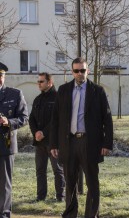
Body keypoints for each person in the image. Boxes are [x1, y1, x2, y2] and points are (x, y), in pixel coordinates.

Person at [50, 57, 113, 218]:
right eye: (76, 71)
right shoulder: (63, 90)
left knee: (92, 182)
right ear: (72, 72)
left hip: (89, 142)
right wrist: (53, 144)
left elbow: (107, 118)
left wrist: (107, 143)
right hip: (68, 142)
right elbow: (55, 119)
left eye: (83, 70)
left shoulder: (97, 91)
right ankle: (70, 214)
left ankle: (91, 215)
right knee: (70, 182)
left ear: (88, 71)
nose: (80, 73)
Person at [29, 72, 65, 202]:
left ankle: (61, 196)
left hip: (53, 141)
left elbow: (58, 120)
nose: (39, 84)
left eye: (41, 81)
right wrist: (36, 133)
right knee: (40, 170)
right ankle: (40, 197)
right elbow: (31, 118)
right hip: (39, 142)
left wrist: (43, 132)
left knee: (58, 170)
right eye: (38, 81)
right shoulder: (37, 99)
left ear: (50, 82)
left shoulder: (58, 98)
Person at [0, 62, 28, 218]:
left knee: (4, 184)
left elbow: (24, 118)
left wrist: (8, 122)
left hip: (5, 144)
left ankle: (4, 214)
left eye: (1, 75)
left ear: (4, 76)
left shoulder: (14, 94)